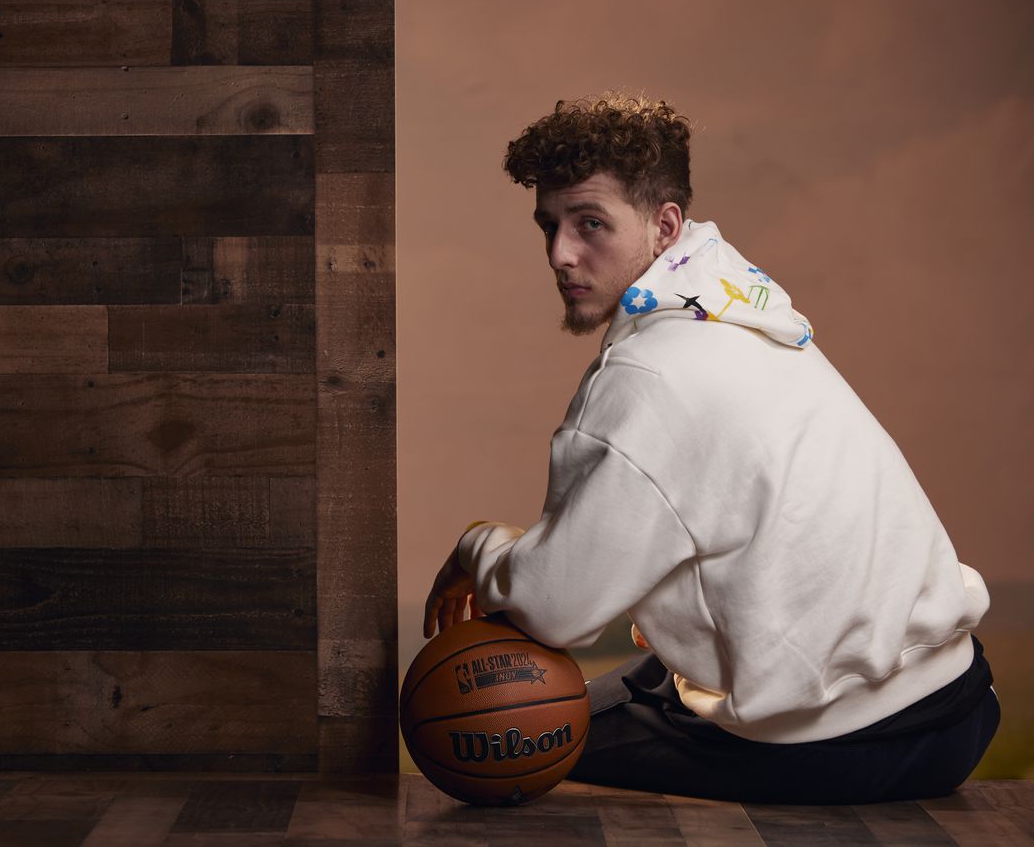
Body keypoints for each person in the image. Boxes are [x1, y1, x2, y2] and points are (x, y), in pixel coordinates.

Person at [422, 93, 1000, 804]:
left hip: (856, 739)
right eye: (551, 225)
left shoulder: (648, 378)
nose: (560, 254)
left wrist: (479, 545)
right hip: (960, 695)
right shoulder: (736, 301)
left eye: (591, 224)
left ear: (664, 225)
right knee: (622, 684)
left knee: (482, 727)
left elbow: (552, 610)